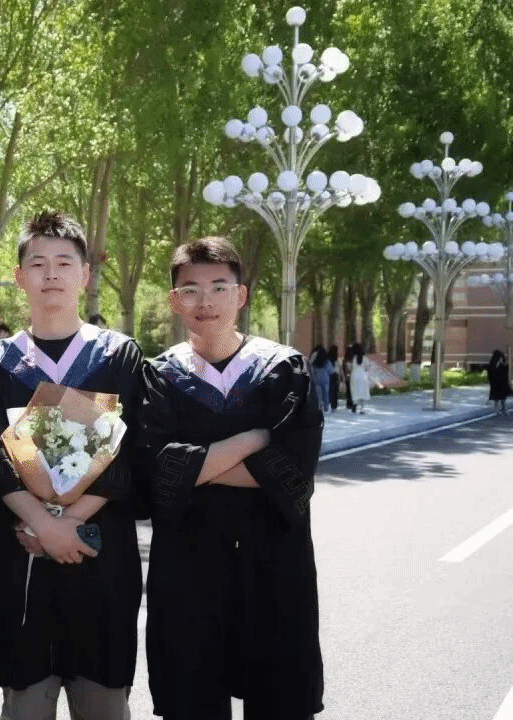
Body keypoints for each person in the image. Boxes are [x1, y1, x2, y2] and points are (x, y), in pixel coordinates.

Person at [0, 210, 145, 720]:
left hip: (100, 556)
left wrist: (69, 523)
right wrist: (43, 523)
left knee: (104, 701)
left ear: (85, 274)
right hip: (22, 558)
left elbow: (132, 453)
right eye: (38, 264)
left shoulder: (118, 356)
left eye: (64, 263)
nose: (51, 275)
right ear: (19, 277)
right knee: (25, 700)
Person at [141, 236, 324, 720]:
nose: (206, 301)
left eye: (219, 287)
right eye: (191, 290)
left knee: (280, 700)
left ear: (240, 295)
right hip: (188, 570)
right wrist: (253, 439)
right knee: (192, 699)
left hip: (273, 565)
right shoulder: (159, 377)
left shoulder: (284, 370)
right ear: (174, 300)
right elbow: (154, 473)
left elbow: (295, 474)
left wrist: (195, 467)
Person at [486, 349, 511, 415]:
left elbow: (506, 372)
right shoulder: (492, 363)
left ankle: (504, 409)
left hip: (502, 383)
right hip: (495, 383)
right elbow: (491, 372)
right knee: (496, 398)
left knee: (503, 398)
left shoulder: (503, 364)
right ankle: (497, 410)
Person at [349, 343, 371, 414]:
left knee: (355, 391)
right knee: (363, 392)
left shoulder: (353, 358)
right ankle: (362, 409)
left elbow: (351, 367)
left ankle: (355, 403)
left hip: (354, 376)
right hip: (362, 376)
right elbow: (368, 366)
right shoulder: (364, 358)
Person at [309, 345, 331, 412]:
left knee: (318, 394)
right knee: (326, 394)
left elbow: (308, 366)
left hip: (316, 378)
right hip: (325, 378)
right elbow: (331, 370)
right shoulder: (326, 361)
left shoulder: (314, 361)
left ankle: (319, 407)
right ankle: (326, 407)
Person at [328, 344, 341, 411]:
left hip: (329, 375)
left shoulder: (328, 358)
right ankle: (334, 405)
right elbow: (339, 367)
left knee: (330, 390)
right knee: (335, 391)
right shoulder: (337, 358)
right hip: (335, 375)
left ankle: (329, 403)